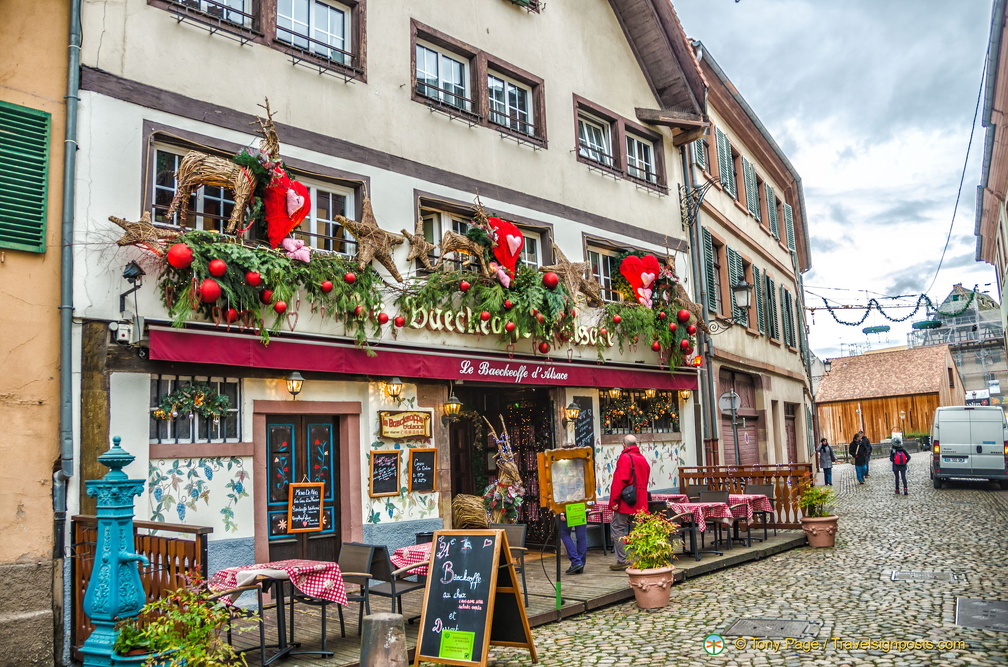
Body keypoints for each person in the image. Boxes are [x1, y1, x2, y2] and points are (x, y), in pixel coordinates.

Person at [607, 434, 651, 571]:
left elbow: (619, 480)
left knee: (617, 527)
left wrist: (614, 500)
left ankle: (622, 560)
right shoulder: (642, 458)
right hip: (641, 499)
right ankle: (642, 557)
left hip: (627, 500)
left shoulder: (625, 457)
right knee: (639, 528)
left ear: (624, 445)